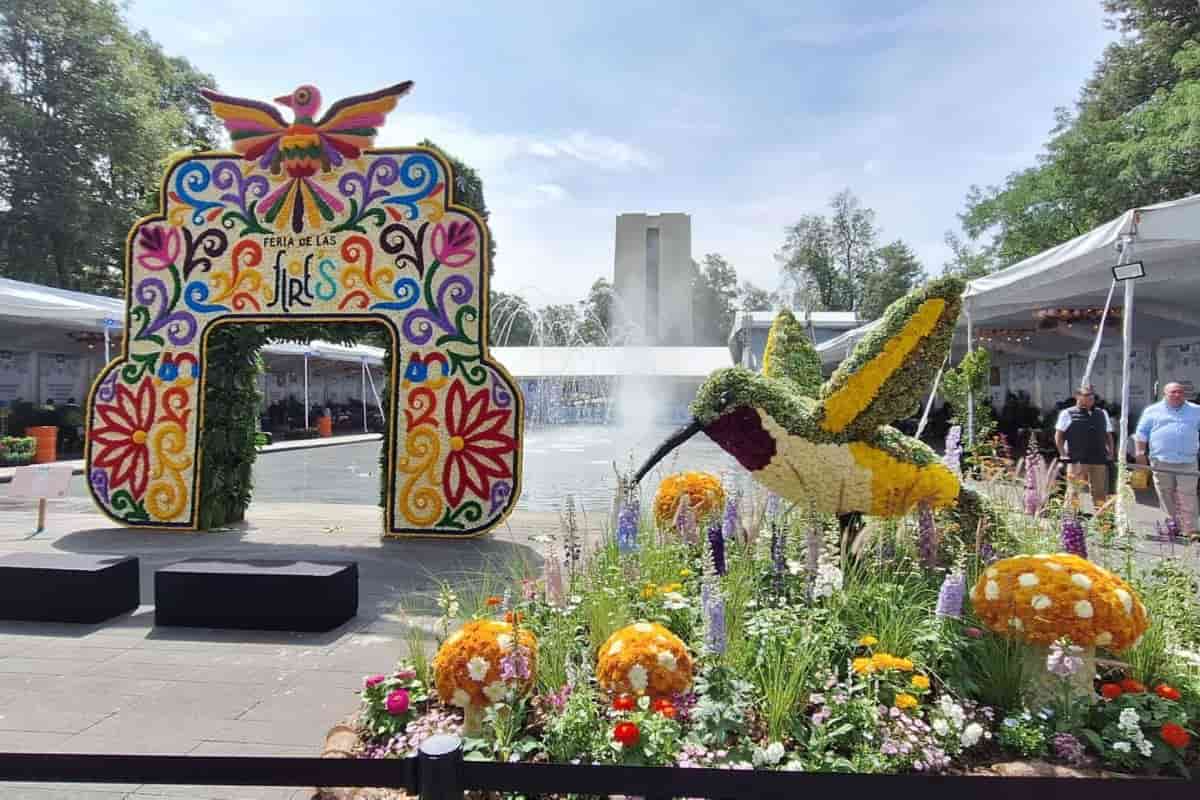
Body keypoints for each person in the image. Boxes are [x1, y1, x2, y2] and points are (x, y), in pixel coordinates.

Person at [1135, 382, 1200, 536]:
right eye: (1173, 392)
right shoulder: (1152, 411)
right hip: (1161, 461)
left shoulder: (1196, 410)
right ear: (1165, 394)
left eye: (1180, 392)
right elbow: (1142, 433)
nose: (1177, 395)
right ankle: (1172, 525)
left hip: (1187, 461)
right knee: (1166, 494)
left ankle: (1190, 529)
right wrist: (1140, 452)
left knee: (1188, 494)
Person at [1054, 384, 1114, 510]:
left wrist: (1111, 453)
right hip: (1077, 459)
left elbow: (1108, 435)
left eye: (1092, 395)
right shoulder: (1067, 413)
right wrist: (1062, 453)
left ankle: (1102, 521)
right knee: (1074, 491)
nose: (1091, 398)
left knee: (1100, 491)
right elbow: (1059, 435)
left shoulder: (1102, 413)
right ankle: (1070, 519)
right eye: (1087, 395)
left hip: (1099, 458)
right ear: (1077, 396)